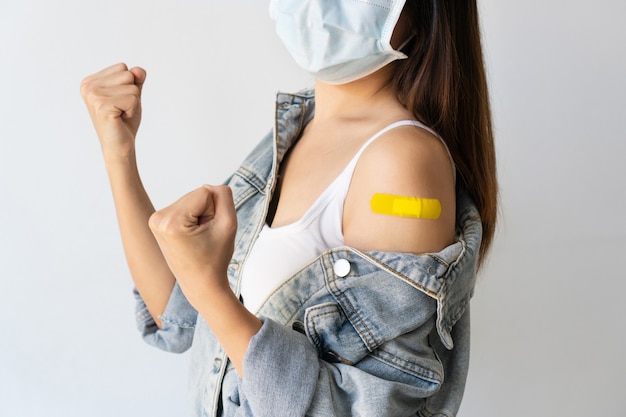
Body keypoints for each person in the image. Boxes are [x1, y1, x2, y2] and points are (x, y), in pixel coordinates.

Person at [80, 0, 497, 416]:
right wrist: (119, 152)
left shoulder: (401, 162)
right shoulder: (300, 128)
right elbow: (177, 317)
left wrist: (210, 289)